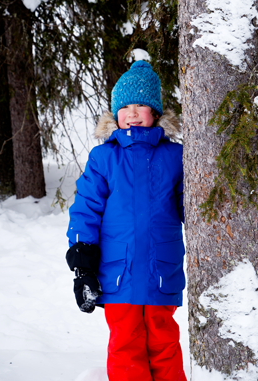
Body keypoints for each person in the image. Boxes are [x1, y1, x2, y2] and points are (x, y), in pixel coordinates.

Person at [66, 60, 187, 381]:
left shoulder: (176, 156)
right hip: (117, 272)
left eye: (141, 105)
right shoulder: (104, 157)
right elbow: (86, 208)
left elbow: (190, 205)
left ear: (156, 113)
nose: (132, 112)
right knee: (125, 344)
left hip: (162, 268)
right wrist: (83, 263)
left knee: (165, 343)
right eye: (125, 106)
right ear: (114, 114)